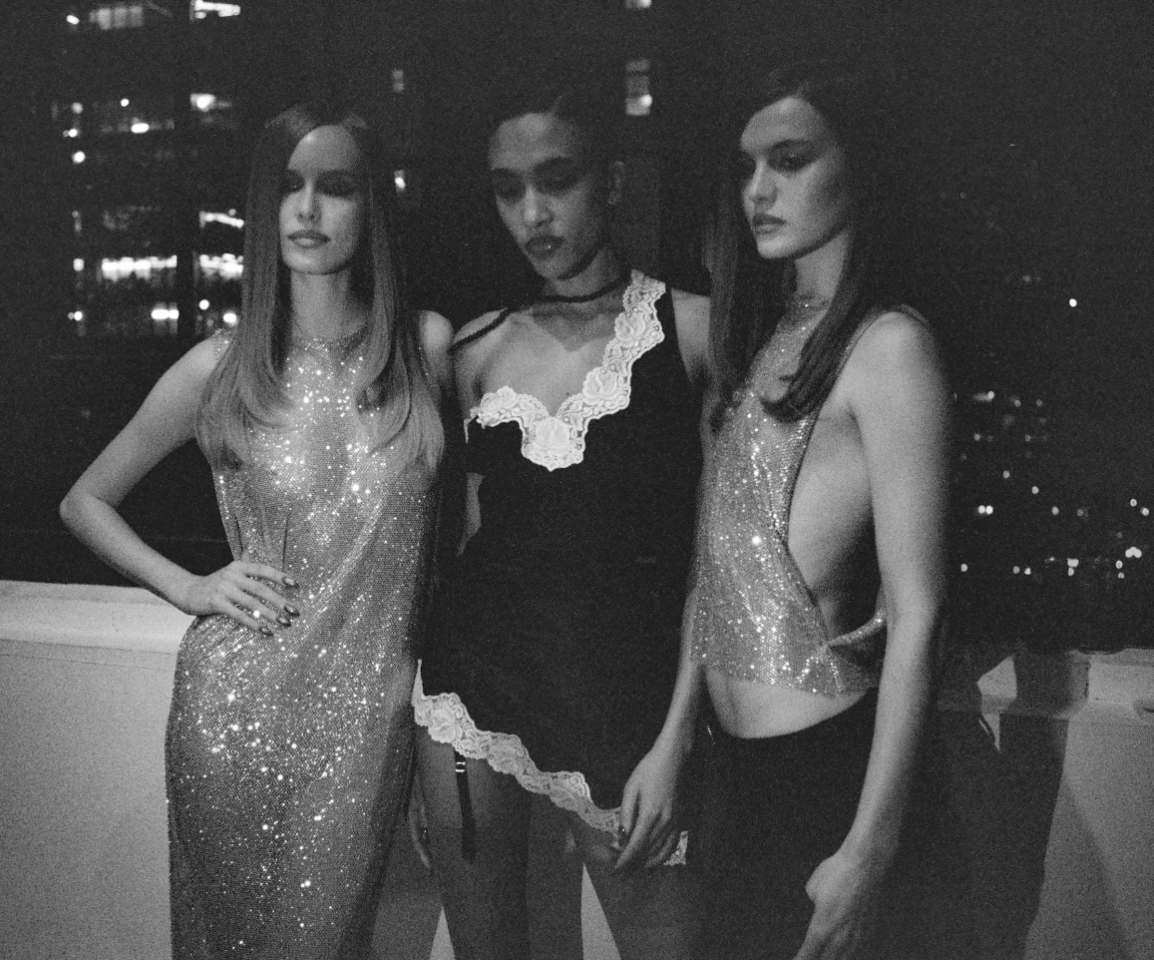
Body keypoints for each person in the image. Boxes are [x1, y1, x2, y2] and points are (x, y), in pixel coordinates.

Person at [60, 100, 453, 958]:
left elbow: (455, 553)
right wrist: (188, 585)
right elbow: (85, 500)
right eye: (287, 186)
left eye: (335, 186)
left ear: (372, 206)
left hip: (368, 726)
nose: (307, 210)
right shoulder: (223, 367)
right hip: (232, 714)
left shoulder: (425, 351)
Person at [410, 67, 711, 960]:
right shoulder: (474, 349)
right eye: (509, 190)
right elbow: (463, 538)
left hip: (624, 706)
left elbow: (720, 558)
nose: (533, 213)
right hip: (468, 695)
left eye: (557, 180)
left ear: (610, 182)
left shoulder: (694, 330)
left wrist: (678, 739)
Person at [667, 58, 953, 959]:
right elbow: (715, 567)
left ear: (858, 167)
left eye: (789, 161)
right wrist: (674, 741)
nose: (758, 189)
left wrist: (869, 848)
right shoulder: (764, 338)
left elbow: (919, 613)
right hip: (737, 777)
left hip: (823, 779)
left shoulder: (889, 347)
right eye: (747, 167)